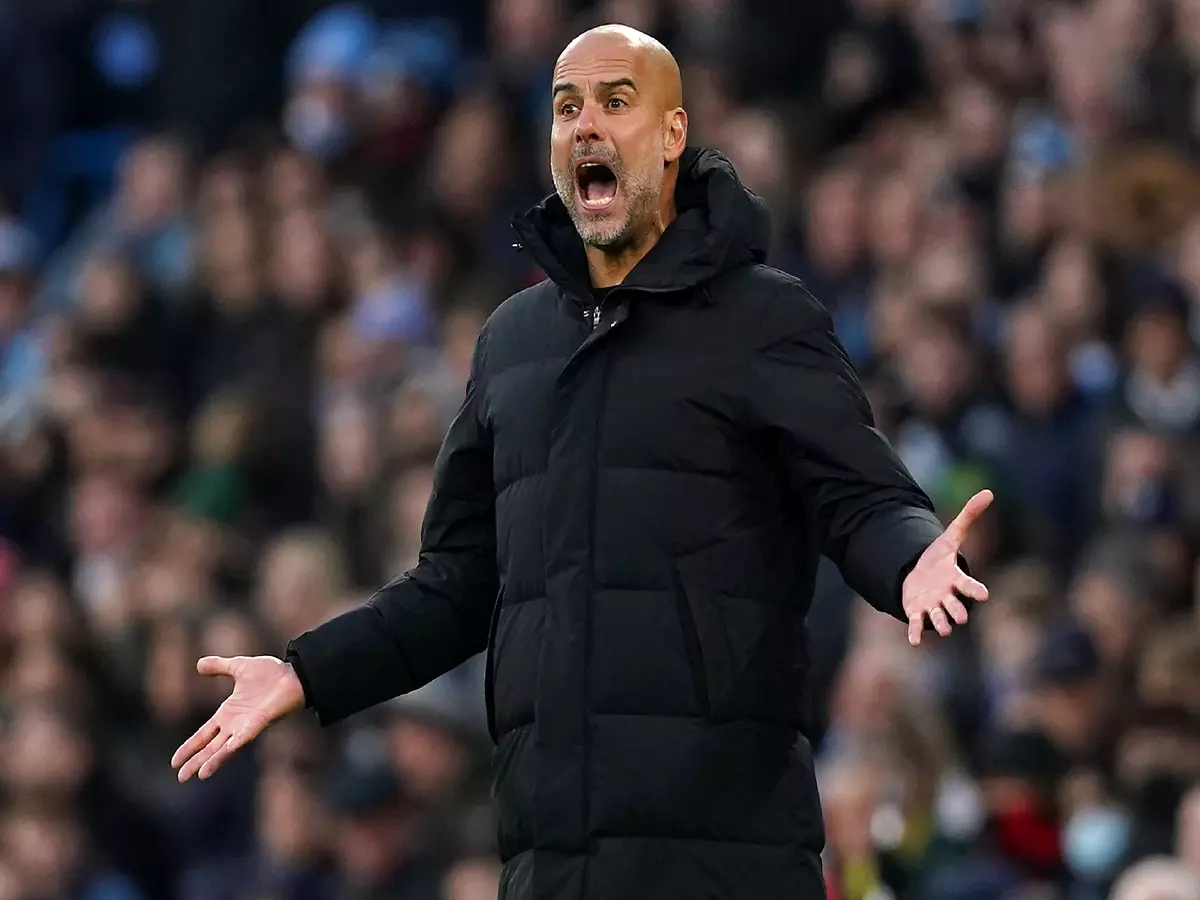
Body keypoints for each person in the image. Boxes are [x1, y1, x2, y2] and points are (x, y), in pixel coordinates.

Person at [172, 24, 993, 900]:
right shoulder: (510, 343)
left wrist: (912, 556)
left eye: (615, 102)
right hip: (553, 863)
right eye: (567, 108)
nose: (587, 126)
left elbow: (856, 495)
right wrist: (307, 670)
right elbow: (455, 583)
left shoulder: (763, 320)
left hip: (726, 859)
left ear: (673, 135)